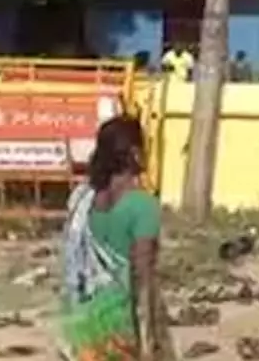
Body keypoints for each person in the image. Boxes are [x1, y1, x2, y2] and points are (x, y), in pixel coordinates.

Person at [59, 116, 170, 361]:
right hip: (118, 333)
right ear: (135, 153)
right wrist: (149, 344)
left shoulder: (81, 199)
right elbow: (143, 281)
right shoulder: (143, 206)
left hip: (80, 329)